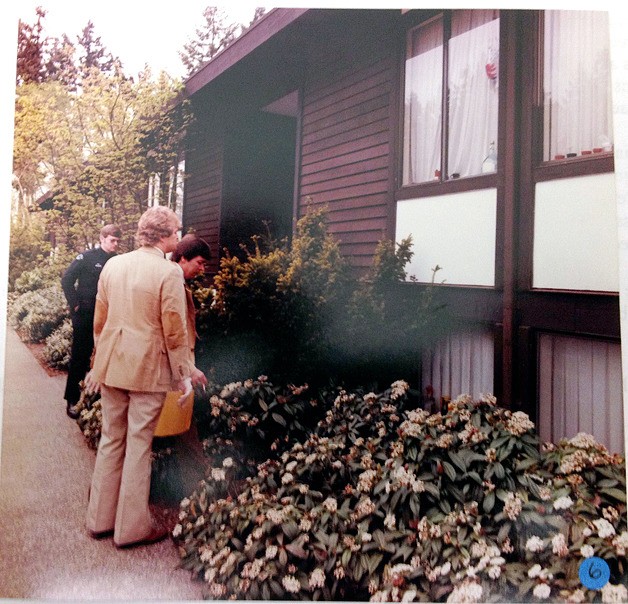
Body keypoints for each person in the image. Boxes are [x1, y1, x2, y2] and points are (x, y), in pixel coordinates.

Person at [84, 206, 193, 548]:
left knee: (111, 440)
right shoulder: (169, 272)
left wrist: (100, 359)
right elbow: (174, 329)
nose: (178, 237)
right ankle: (130, 530)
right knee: (139, 445)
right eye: (176, 232)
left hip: (113, 364)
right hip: (148, 369)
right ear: (161, 235)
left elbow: (99, 320)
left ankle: (99, 521)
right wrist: (183, 373)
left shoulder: (114, 265)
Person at [61, 224, 121, 419]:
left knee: (104, 355)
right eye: (112, 240)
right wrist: (75, 304)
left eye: (117, 241)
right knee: (81, 355)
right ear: (102, 238)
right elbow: (67, 279)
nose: (115, 244)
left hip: (108, 314)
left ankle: (95, 398)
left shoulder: (118, 261)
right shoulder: (87, 257)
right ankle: (72, 398)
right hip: (86, 313)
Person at [171, 234, 212, 389]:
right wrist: (189, 368)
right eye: (199, 263)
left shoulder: (180, 282)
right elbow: (172, 332)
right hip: (173, 373)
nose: (202, 269)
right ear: (183, 258)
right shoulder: (171, 283)